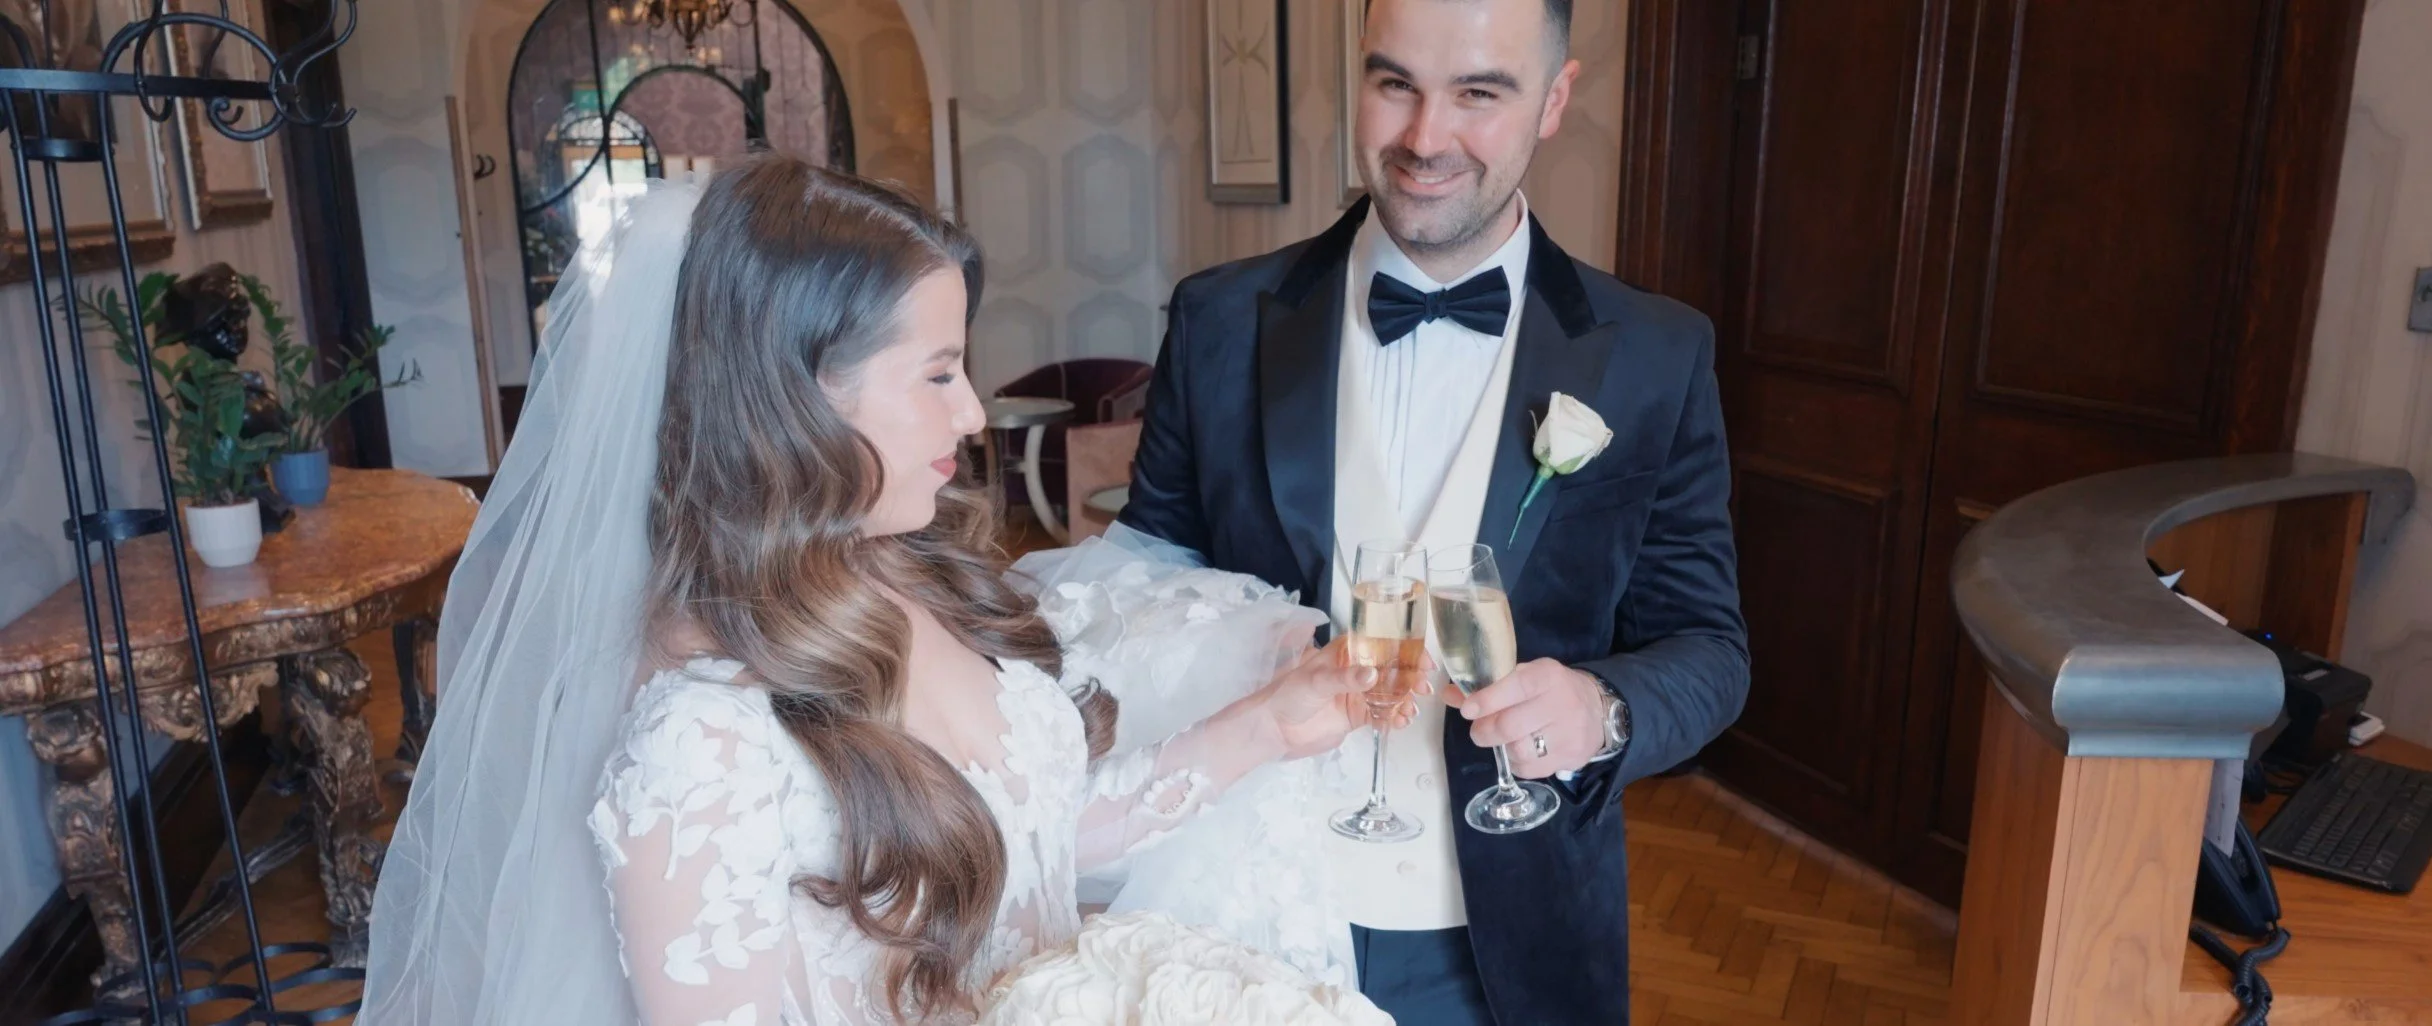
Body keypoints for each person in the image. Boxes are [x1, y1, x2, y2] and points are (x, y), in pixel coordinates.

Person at [357, 156, 1384, 1025]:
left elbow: (1029, 836)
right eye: (936, 374)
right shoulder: (702, 741)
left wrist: (1271, 724)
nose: (975, 413)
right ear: (796, 394)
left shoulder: (912, 577)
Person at [1116, 0, 1752, 1021]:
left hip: (1509, 932)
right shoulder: (1217, 319)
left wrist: (1602, 710)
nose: (1423, 138)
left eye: (1478, 94)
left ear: (1553, 100)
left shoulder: (1654, 354)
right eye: (1393, 84)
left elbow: (1709, 650)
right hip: (1242, 911)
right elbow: (1135, 592)